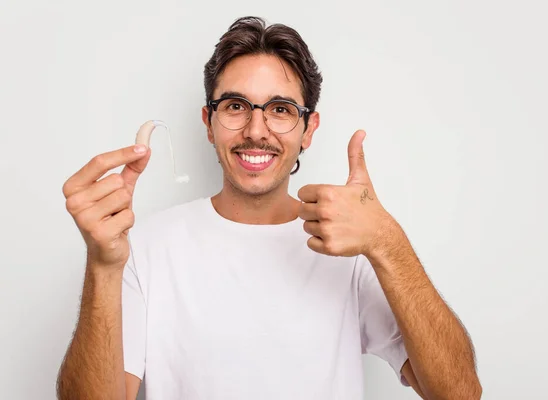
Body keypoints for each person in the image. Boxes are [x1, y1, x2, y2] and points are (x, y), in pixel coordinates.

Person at [56, 16, 482, 400]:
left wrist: (388, 242)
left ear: (308, 129)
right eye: (236, 107)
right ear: (208, 123)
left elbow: (459, 394)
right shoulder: (144, 249)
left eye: (280, 109)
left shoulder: (352, 251)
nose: (256, 131)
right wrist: (102, 265)